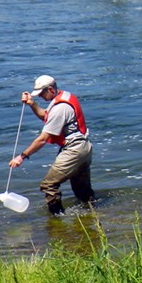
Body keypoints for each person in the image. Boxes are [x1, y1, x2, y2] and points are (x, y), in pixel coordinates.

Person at [9, 75, 96, 216]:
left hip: (74, 150)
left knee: (48, 185)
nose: (41, 97)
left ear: (50, 89)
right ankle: (94, 214)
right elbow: (47, 116)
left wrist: (22, 156)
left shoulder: (60, 108)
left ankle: (57, 219)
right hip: (84, 148)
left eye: (42, 93)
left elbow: (42, 139)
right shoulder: (64, 96)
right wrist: (32, 104)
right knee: (82, 191)